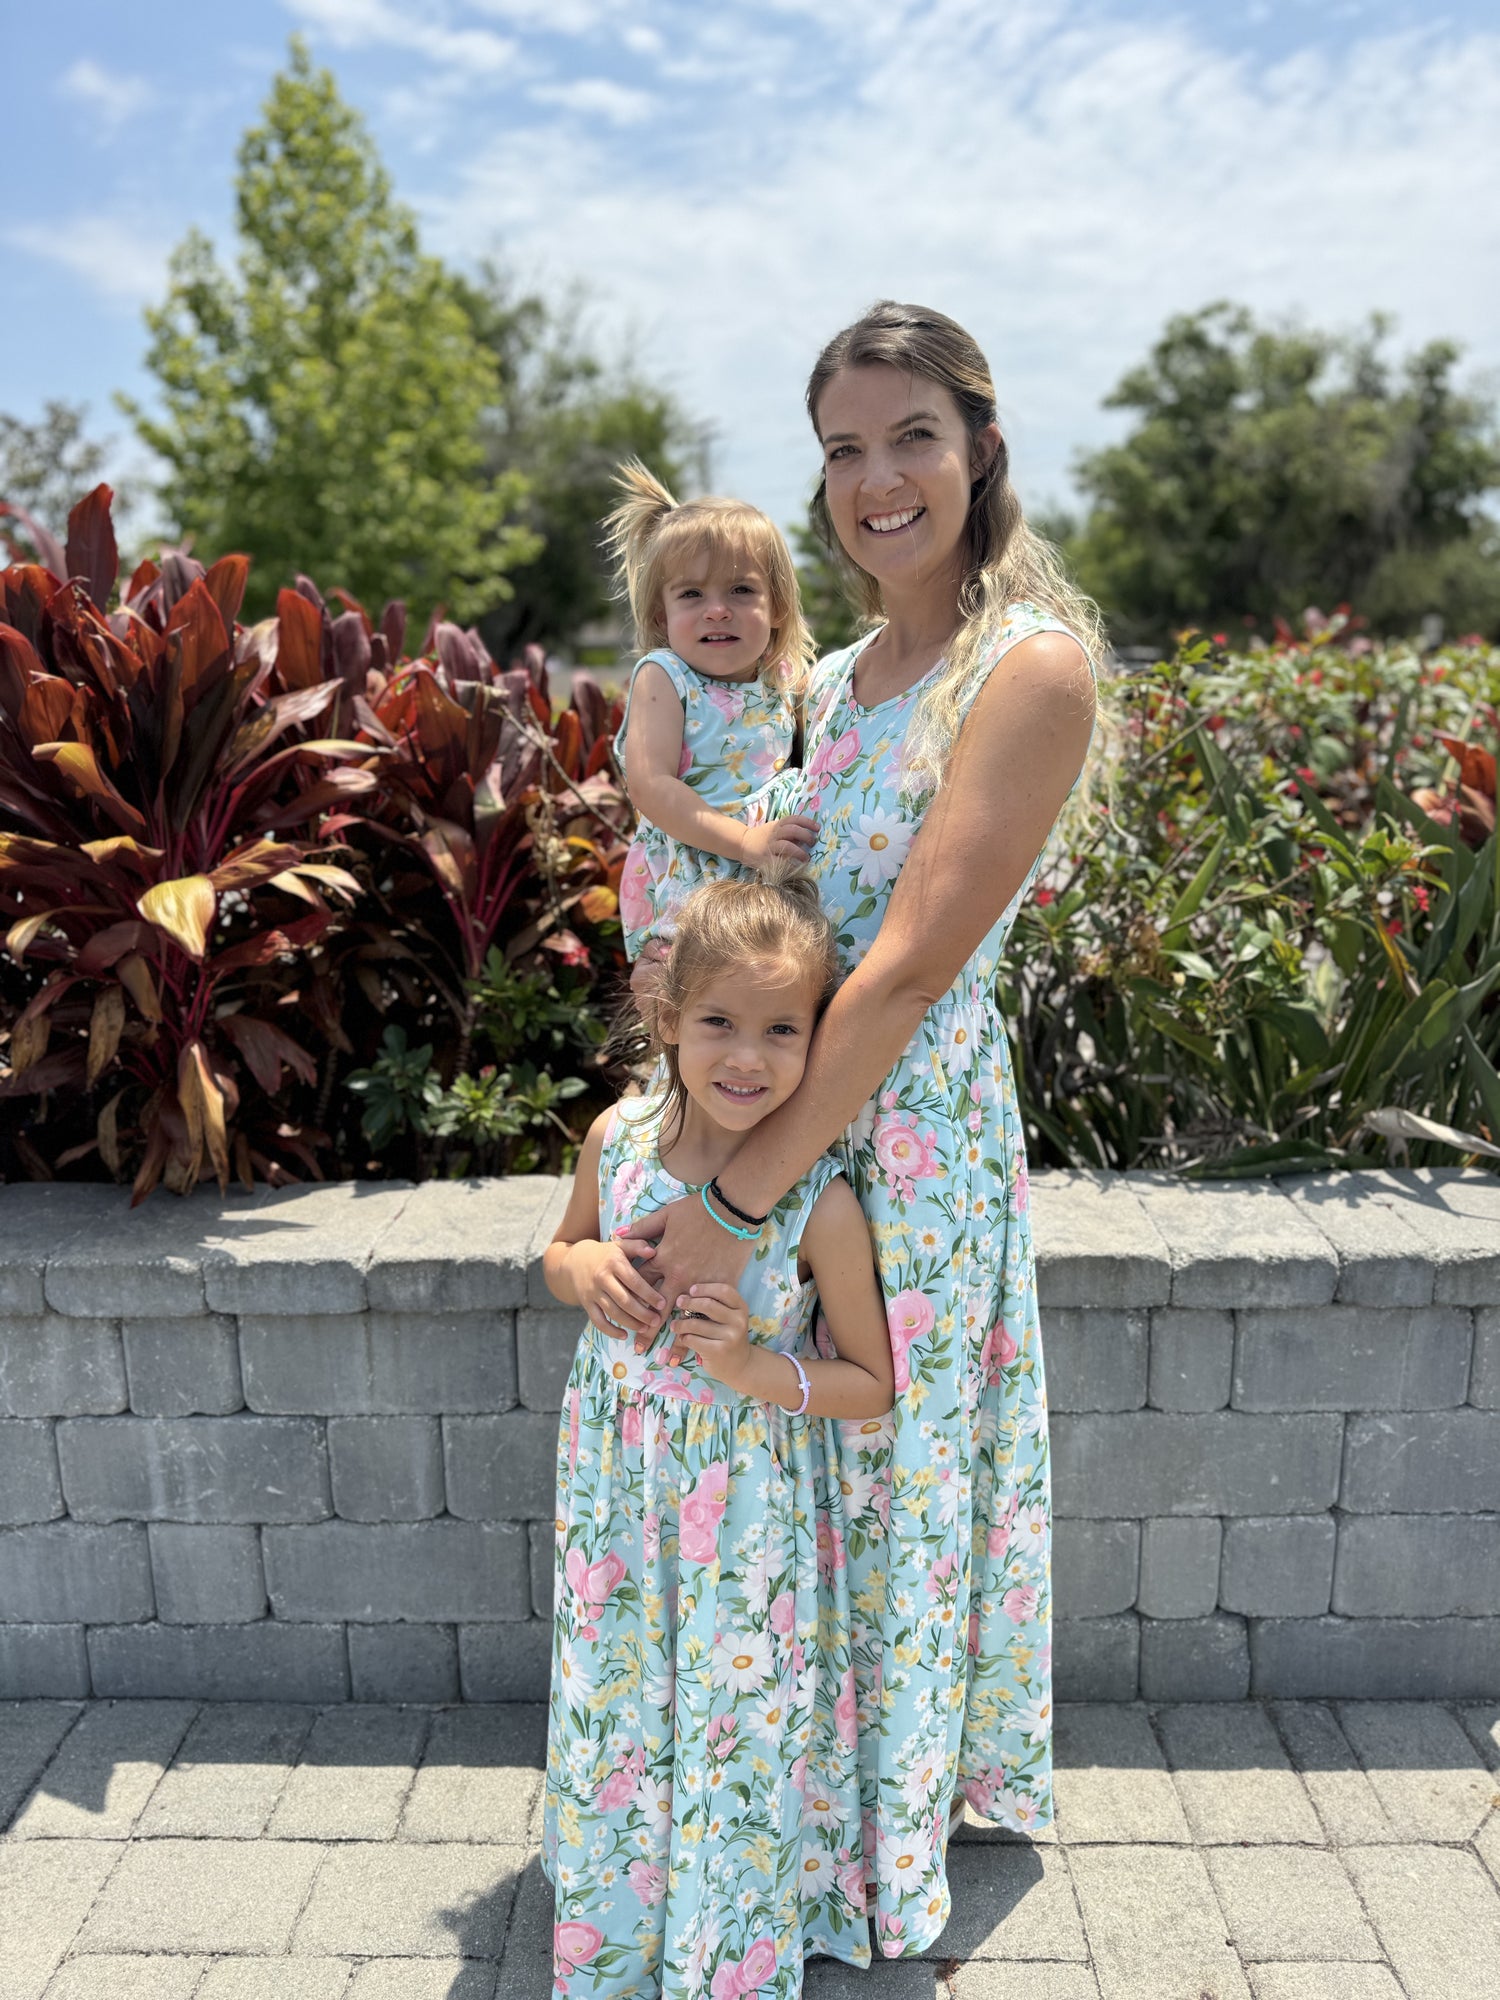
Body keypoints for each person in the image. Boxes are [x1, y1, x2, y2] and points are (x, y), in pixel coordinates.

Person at [621, 302, 1102, 1957]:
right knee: (794, 1483)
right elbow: (780, 917)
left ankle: (879, 1857)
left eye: (912, 436)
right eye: (842, 446)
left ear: (979, 444)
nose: (876, 477)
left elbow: (898, 975)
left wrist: (740, 1202)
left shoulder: (1026, 667)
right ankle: (801, 1816)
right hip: (792, 1114)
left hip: (912, 1141)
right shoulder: (833, 675)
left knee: (886, 1475)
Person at [540, 866, 896, 1998]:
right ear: (668, 1020)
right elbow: (559, 1250)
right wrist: (584, 1263)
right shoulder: (621, 1137)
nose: (749, 1055)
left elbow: (872, 1382)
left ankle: (728, 1928)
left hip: (744, 1513)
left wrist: (754, 1364)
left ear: (821, 1037)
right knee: (624, 1693)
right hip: (617, 1490)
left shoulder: (815, 1199)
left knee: (734, 1712)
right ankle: (621, 1906)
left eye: (784, 1028)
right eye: (720, 1022)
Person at [605, 462, 821, 980]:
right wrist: (743, 842)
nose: (717, 611)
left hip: (762, 875)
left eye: (741, 591)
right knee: (668, 985)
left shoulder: (784, 677)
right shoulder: (665, 676)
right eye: (692, 595)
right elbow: (651, 785)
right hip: (691, 867)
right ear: (661, 616)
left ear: (777, 608)